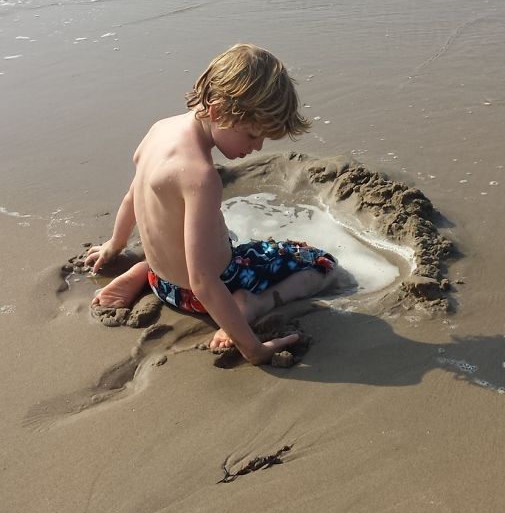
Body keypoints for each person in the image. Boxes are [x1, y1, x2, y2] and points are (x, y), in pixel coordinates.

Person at [85, 44, 336, 365]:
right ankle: (252, 303)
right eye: (251, 135)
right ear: (217, 112)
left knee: (180, 237)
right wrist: (253, 349)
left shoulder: (159, 130)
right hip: (206, 294)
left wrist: (114, 245)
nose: (257, 146)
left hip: (163, 284)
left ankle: (142, 271)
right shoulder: (200, 176)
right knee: (320, 263)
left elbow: (132, 197)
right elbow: (203, 280)